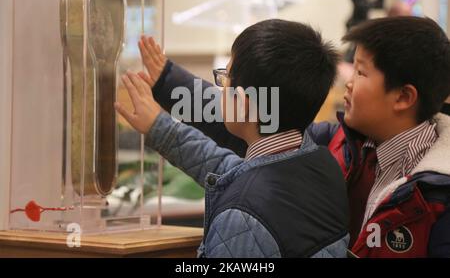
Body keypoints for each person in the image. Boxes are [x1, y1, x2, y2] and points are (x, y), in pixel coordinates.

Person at [143, 16, 450, 258]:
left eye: (361, 72)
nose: (348, 82)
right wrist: (168, 83)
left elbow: (255, 114)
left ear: (403, 97)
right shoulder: (339, 146)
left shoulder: (438, 193)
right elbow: (261, 124)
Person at [115, 19, 350, 258]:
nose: (219, 90)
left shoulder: (241, 217)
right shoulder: (321, 163)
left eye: (224, 78)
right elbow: (231, 170)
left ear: (243, 104)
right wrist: (160, 126)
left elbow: (246, 185)